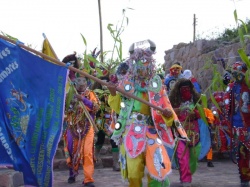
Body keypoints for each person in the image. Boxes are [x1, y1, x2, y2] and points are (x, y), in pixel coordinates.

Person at [106, 40, 188, 187]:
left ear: (151, 64)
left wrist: (167, 115)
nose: (143, 67)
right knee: (133, 172)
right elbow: (121, 107)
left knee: (157, 169)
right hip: (131, 131)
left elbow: (164, 106)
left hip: (152, 131)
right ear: (133, 64)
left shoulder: (156, 84)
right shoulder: (126, 84)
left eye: (146, 63)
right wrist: (113, 93)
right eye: (140, 63)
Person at [168, 78, 211, 187]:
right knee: (183, 158)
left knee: (192, 159)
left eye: (188, 89)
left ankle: (187, 174)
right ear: (178, 90)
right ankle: (186, 180)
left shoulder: (197, 99)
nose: (186, 91)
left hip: (194, 135)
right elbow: (168, 114)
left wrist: (195, 113)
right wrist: (174, 112)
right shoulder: (174, 101)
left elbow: (203, 113)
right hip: (180, 134)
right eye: (183, 89)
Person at [63, 75, 100, 187]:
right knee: (71, 150)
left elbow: (96, 107)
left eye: (83, 82)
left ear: (86, 83)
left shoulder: (90, 94)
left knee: (87, 152)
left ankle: (88, 179)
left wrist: (83, 100)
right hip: (72, 126)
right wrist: (72, 102)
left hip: (87, 127)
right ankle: (72, 173)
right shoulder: (69, 94)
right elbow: (64, 108)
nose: (81, 85)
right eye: (79, 83)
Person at [224, 61, 250, 187]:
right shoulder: (231, 87)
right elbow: (227, 105)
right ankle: (244, 180)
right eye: (235, 72)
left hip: (248, 125)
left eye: (240, 71)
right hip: (237, 126)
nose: (238, 75)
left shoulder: (248, 85)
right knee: (241, 154)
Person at [91, 75, 120, 171]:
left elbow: (116, 105)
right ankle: (95, 159)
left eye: (106, 82)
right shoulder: (95, 93)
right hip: (99, 120)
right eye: (102, 82)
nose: (104, 85)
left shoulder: (113, 93)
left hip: (111, 120)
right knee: (100, 139)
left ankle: (116, 163)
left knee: (113, 140)